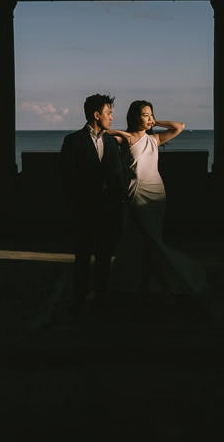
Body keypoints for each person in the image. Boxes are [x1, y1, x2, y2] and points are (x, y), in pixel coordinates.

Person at [106, 100, 206, 298]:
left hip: (156, 192)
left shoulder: (155, 139)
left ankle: (154, 280)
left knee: (154, 238)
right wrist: (122, 132)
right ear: (135, 116)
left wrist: (154, 121)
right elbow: (104, 134)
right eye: (145, 114)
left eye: (151, 114)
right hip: (137, 191)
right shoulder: (126, 138)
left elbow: (179, 126)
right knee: (141, 238)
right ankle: (151, 280)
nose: (149, 118)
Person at [59, 93, 129, 316]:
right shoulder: (73, 141)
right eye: (108, 113)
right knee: (82, 256)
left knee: (104, 256)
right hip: (84, 210)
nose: (112, 116)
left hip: (108, 210)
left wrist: (119, 201)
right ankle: (79, 301)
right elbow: (66, 177)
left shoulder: (110, 141)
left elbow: (117, 176)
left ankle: (101, 297)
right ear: (96, 115)